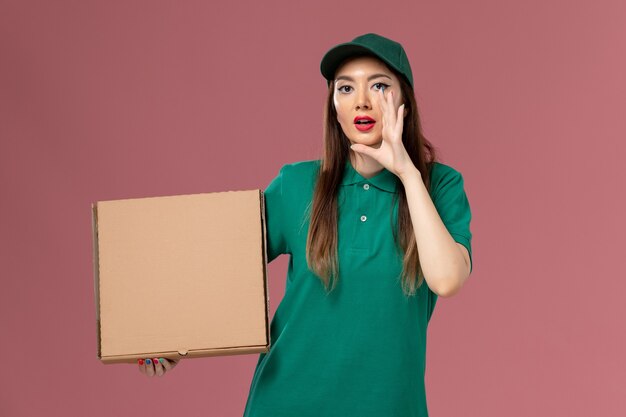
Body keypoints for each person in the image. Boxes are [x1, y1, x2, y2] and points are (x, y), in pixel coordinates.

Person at [139, 33, 473, 417]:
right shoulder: (297, 185)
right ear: (334, 105)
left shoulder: (439, 186)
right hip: (285, 403)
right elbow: (220, 269)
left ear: (404, 102)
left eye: (379, 85)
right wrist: (166, 334)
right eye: (346, 88)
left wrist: (408, 175)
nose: (362, 100)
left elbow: (447, 279)